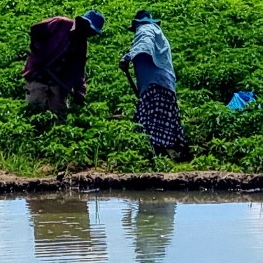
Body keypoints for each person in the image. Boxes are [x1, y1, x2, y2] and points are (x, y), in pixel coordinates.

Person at [119, 10, 188, 158]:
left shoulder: (146, 29)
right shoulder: (157, 32)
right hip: (163, 83)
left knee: (151, 120)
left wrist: (127, 58)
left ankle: (157, 154)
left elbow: (144, 43)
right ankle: (166, 153)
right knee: (161, 120)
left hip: (154, 84)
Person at [23, 10, 105, 120]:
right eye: (90, 30)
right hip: (38, 75)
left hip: (59, 81)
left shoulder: (82, 44)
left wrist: (79, 92)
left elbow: (79, 70)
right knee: (34, 110)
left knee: (60, 115)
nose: (90, 34)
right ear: (83, 23)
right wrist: (38, 53)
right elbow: (36, 29)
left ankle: (57, 135)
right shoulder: (60, 23)